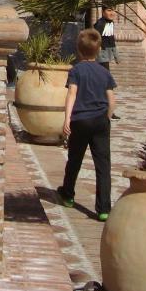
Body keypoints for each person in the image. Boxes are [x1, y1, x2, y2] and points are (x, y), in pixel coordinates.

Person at [57, 28, 117, 222]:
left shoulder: (76, 70)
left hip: (80, 121)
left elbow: (72, 94)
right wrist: (106, 117)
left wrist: (67, 119)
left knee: (75, 159)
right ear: (98, 50)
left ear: (78, 50)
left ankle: (68, 194)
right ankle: (103, 209)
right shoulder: (104, 72)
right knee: (103, 164)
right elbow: (111, 99)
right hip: (100, 120)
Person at [94, 6, 119, 71]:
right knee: (104, 74)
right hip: (100, 55)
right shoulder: (100, 24)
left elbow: (111, 39)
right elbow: (95, 39)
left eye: (114, 11)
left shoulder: (110, 22)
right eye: (109, 10)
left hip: (105, 55)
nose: (112, 13)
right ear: (103, 12)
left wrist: (115, 55)